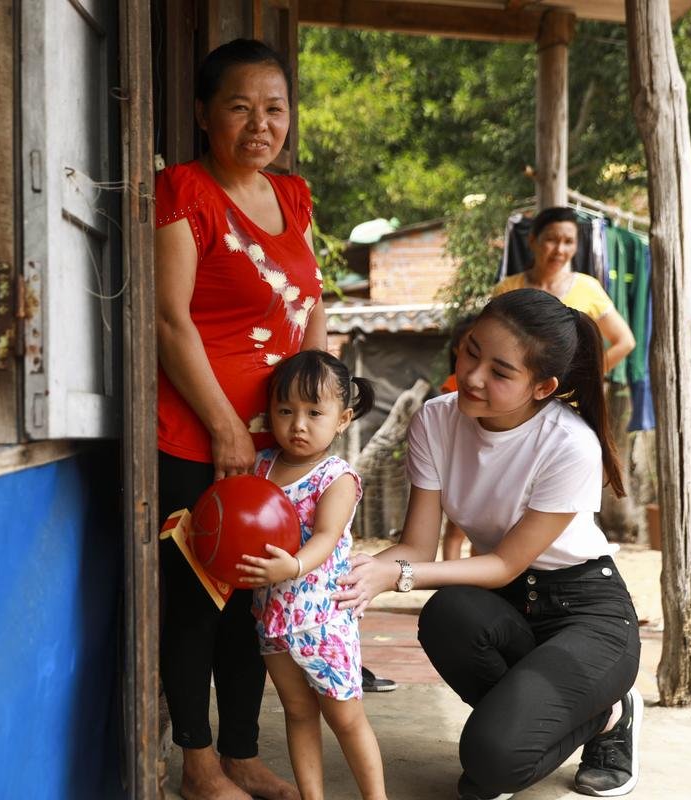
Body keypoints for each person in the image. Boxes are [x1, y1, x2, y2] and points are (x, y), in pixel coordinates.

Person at [333, 288, 644, 800]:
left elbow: (501, 562)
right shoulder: (436, 419)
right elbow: (415, 547)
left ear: (542, 386)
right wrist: (346, 572)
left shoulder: (569, 444)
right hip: (506, 606)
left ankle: (608, 714)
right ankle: (529, 721)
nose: (473, 376)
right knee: (448, 614)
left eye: (500, 372)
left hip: (585, 611)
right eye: (472, 350)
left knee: (489, 765)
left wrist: (396, 578)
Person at [154, 37, 322, 800]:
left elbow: (312, 305)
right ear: (202, 114)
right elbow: (168, 322)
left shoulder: (293, 197)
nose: (261, 123)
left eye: (274, 108)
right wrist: (223, 424)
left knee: (258, 599)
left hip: (275, 441)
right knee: (198, 599)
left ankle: (243, 752)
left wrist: (318, 405)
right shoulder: (183, 190)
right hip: (196, 435)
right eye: (240, 107)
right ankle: (197, 760)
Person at [235, 350, 386, 800]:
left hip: (323, 620)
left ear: (342, 419)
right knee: (297, 712)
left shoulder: (336, 477)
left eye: (314, 412)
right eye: (286, 411)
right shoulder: (260, 466)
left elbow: (326, 536)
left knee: (345, 717)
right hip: (273, 618)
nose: (298, 424)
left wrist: (294, 565)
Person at [492, 207, 635, 373]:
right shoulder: (507, 289)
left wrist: (585, 377)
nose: (560, 250)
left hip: (567, 399)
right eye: (551, 239)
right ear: (532, 240)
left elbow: (625, 341)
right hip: (515, 395)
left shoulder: (588, 287)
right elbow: (493, 342)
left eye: (568, 242)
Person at [439, 314, 478, 561]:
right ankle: (450, 581)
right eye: (472, 348)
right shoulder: (453, 386)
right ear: (458, 350)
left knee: (483, 534)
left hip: (482, 465)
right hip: (463, 467)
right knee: (455, 530)